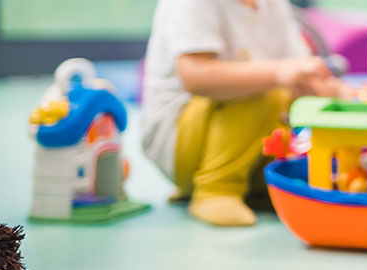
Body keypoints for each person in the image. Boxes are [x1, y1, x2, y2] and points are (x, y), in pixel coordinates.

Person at [141, 0, 350, 226]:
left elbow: (301, 71)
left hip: (247, 132)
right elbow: (194, 75)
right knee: (264, 88)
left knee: (291, 100)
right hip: (179, 137)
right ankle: (216, 189)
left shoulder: (272, 5)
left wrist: (343, 94)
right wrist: (278, 73)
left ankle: (261, 187)